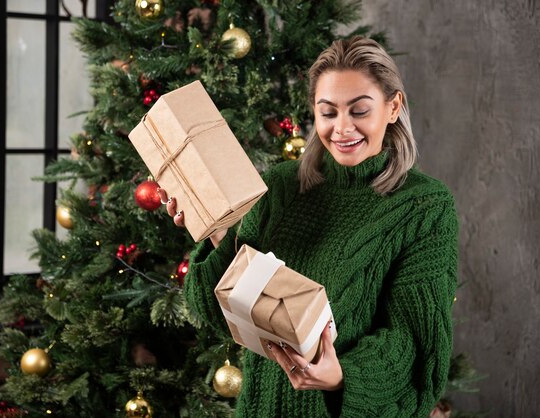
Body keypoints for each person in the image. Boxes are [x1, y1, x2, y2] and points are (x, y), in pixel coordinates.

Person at [158, 36, 458, 417]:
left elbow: (414, 343)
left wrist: (341, 376)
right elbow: (216, 313)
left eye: (359, 111)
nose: (342, 128)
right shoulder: (282, 186)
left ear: (393, 106)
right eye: (328, 112)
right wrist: (215, 230)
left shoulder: (424, 206)